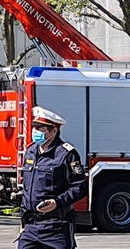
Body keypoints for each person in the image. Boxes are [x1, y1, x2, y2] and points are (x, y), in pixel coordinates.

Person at [18, 106, 87, 249]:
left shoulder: (66, 154)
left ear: (53, 131)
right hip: (30, 227)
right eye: (34, 127)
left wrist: (57, 202)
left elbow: (80, 187)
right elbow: (27, 189)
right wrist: (23, 222)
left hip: (56, 228)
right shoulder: (31, 151)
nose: (35, 131)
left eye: (40, 128)